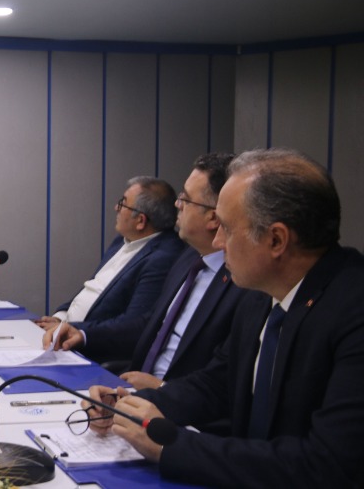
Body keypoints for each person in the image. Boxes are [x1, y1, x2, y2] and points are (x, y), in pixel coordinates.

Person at [84, 148, 364, 487]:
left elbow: (327, 464)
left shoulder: (352, 311)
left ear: (276, 239)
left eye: (228, 229)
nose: (217, 242)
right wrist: (129, 404)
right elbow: (218, 383)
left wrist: (172, 445)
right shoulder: (261, 294)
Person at [47, 153, 251, 392]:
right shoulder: (189, 258)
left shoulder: (242, 283)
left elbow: (222, 382)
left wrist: (162, 389)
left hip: (174, 402)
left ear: (213, 217)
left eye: (186, 199)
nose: (178, 204)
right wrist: (82, 333)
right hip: (132, 387)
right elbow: (151, 322)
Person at [36, 176, 184, 361]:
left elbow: (132, 325)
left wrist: (76, 329)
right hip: (64, 332)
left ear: (140, 221)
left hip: (90, 349)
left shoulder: (162, 258)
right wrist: (60, 317)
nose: (116, 208)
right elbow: (92, 288)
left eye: (123, 203)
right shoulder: (122, 241)